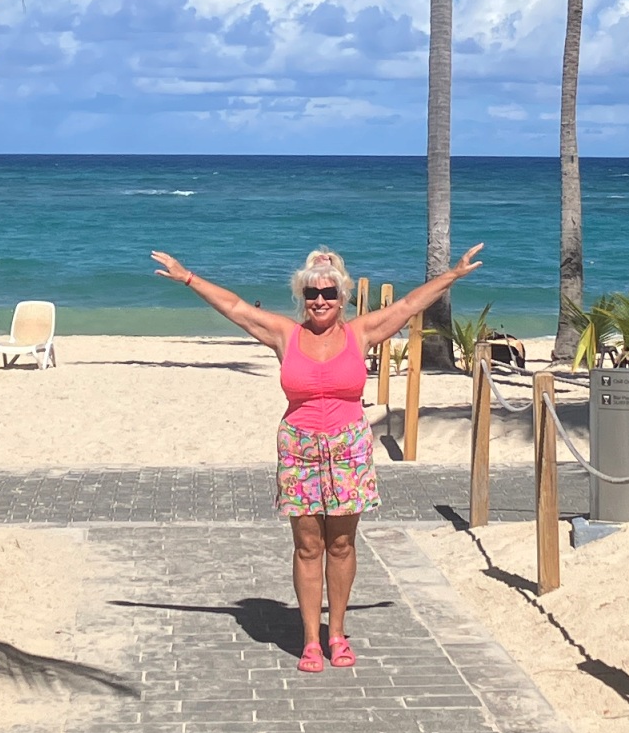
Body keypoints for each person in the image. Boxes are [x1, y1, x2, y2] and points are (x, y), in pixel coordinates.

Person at [152, 241, 483, 674]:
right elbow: (235, 307)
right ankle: (311, 639)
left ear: (342, 297)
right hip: (299, 448)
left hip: (349, 447)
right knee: (308, 546)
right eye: (312, 293)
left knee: (341, 544)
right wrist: (188, 278)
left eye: (328, 293)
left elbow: (407, 306)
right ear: (302, 297)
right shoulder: (285, 335)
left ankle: (337, 633)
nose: (320, 300)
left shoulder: (359, 333)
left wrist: (452, 275)